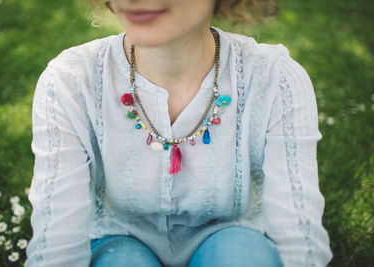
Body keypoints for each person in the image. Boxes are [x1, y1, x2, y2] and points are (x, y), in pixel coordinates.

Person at [25, 0, 333, 266]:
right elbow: (57, 245)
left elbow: (299, 240)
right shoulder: (70, 81)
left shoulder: (274, 79)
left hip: (231, 241)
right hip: (118, 243)